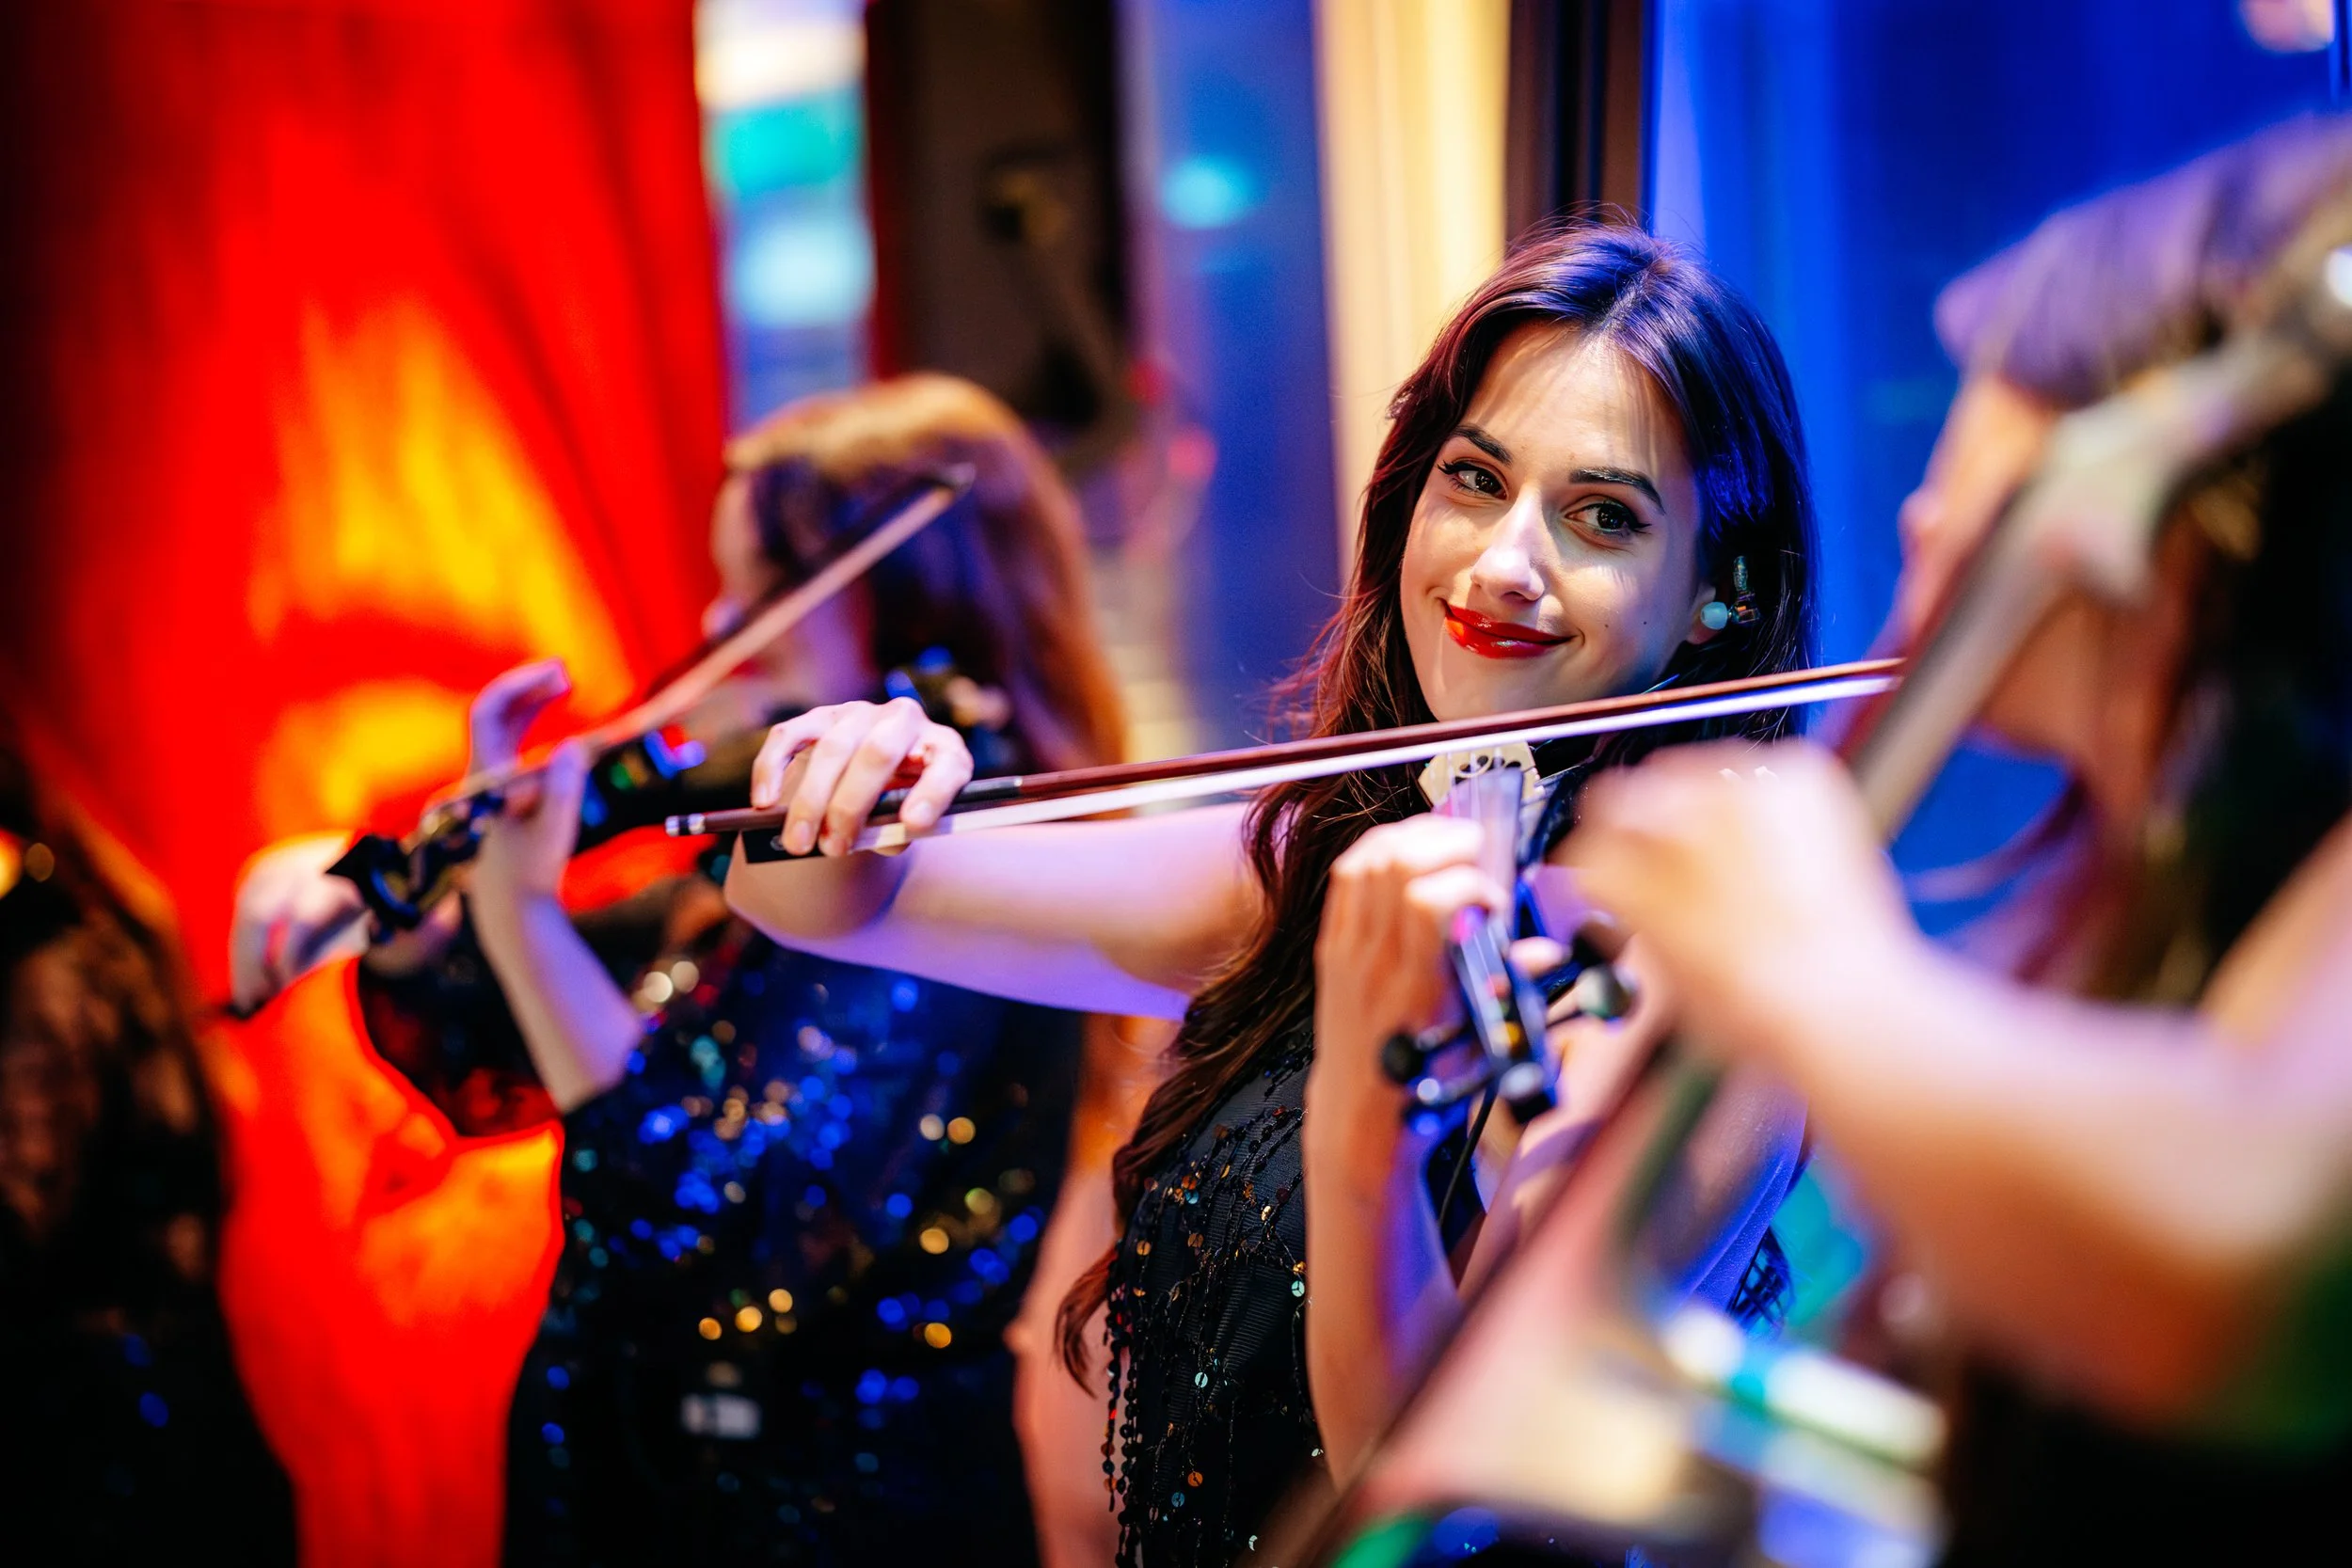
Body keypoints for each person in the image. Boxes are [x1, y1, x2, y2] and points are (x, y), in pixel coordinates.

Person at [725, 225, 1823, 1566]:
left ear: (1721, 593)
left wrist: (1370, 1103)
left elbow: (1424, 1493)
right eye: (1475, 480)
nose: (1502, 565)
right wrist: (851, 765)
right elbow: (816, 899)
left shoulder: (1705, 989)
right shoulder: (1305, 866)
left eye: (1603, 516)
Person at [1559, 114, 2352, 1561]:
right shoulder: (2185, 899)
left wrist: (1809, 967)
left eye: (1998, 407)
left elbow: (2245, 1273)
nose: (1922, 504)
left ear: (2168, 461)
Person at [229, 373, 1129, 1566]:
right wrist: (397, 907)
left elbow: (710, 1228)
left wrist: (518, 910)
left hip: (826, 1526)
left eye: (762, 590)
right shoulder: (759, 873)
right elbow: (500, 1039)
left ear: (908, 599)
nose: (715, 625)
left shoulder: (947, 854)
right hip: (653, 1490)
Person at [0, 730, 297, 1567]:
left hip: (99, 1454)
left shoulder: (44, 979)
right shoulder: (105, 943)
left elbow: (19, 1223)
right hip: (171, 1426)